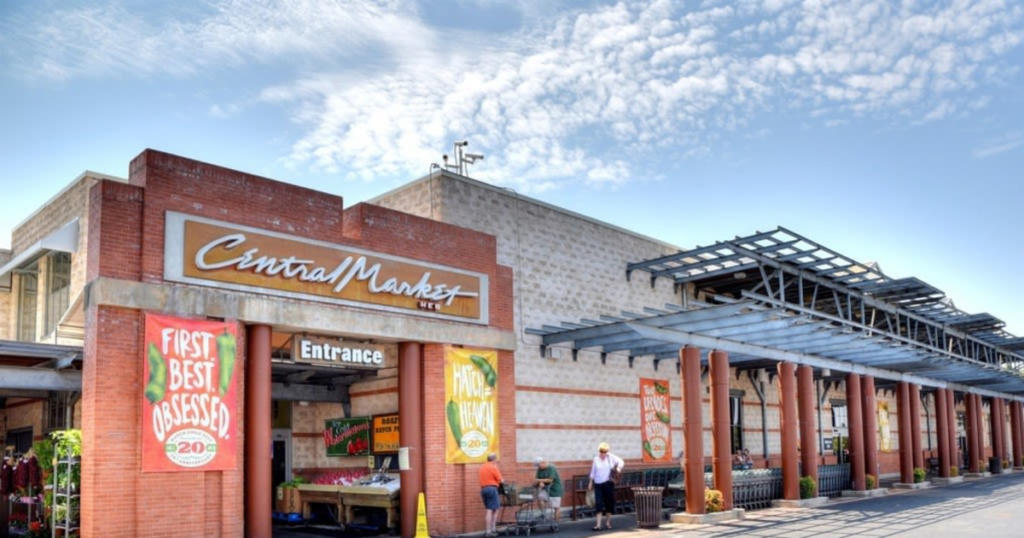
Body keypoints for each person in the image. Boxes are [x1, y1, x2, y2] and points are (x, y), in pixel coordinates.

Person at [587, 442, 623, 531]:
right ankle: (598, 525)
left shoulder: (610, 457)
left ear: (607, 451)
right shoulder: (596, 459)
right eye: (601, 452)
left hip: (608, 483)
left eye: (604, 452)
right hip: (598, 483)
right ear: (599, 451)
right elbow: (593, 471)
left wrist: (619, 468)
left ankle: (608, 523)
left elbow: (621, 462)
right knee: (598, 503)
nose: (603, 454)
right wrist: (591, 482)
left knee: (609, 503)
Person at [533, 457, 563, 530]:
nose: (538, 467)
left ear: (542, 463)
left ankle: (556, 524)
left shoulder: (551, 468)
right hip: (546, 489)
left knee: (556, 507)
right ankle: (543, 514)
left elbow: (550, 480)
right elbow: (536, 479)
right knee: (540, 498)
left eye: (538, 465)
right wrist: (540, 482)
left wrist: (539, 480)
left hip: (555, 489)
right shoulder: (539, 469)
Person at [479, 453, 505, 537]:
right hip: (492, 489)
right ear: (494, 460)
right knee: (494, 509)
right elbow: (501, 480)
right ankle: (490, 530)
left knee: (490, 509)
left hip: (483, 489)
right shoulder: (493, 467)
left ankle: (489, 530)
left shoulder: (482, 467)